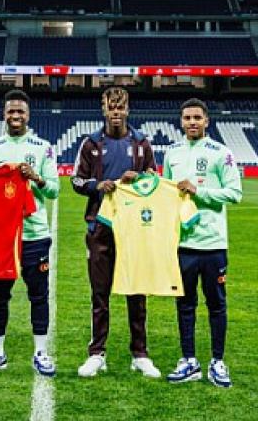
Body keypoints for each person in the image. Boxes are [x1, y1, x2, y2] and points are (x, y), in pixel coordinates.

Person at [71, 86, 161, 378]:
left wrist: (142, 179)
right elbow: (76, 181)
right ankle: (97, 353)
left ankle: (140, 353)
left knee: (136, 291)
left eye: (121, 107)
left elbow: (154, 181)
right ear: (103, 109)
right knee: (100, 294)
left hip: (134, 228)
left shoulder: (141, 143)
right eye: (112, 107)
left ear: (128, 109)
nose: (117, 112)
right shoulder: (91, 143)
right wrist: (98, 184)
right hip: (100, 227)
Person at [0, 89, 60, 377]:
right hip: (3, 235)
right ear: (4, 114)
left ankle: (41, 352)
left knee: (39, 294)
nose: (15, 116)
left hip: (35, 234)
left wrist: (34, 177)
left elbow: (54, 189)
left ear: (28, 115)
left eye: (20, 111)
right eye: (11, 111)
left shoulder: (43, 147)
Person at [161, 98, 242, 388]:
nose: (192, 122)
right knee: (185, 305)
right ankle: (189, 361)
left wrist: (199, 191)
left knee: (216, 305)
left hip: (213, 245)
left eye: (197, 117)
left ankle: (218, 362)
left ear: (207, 121)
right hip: (183, 245)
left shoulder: (221, 153)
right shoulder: (172, 154)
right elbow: (168, 195)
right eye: (187, 118)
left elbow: (235, 193)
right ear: (180, 122)